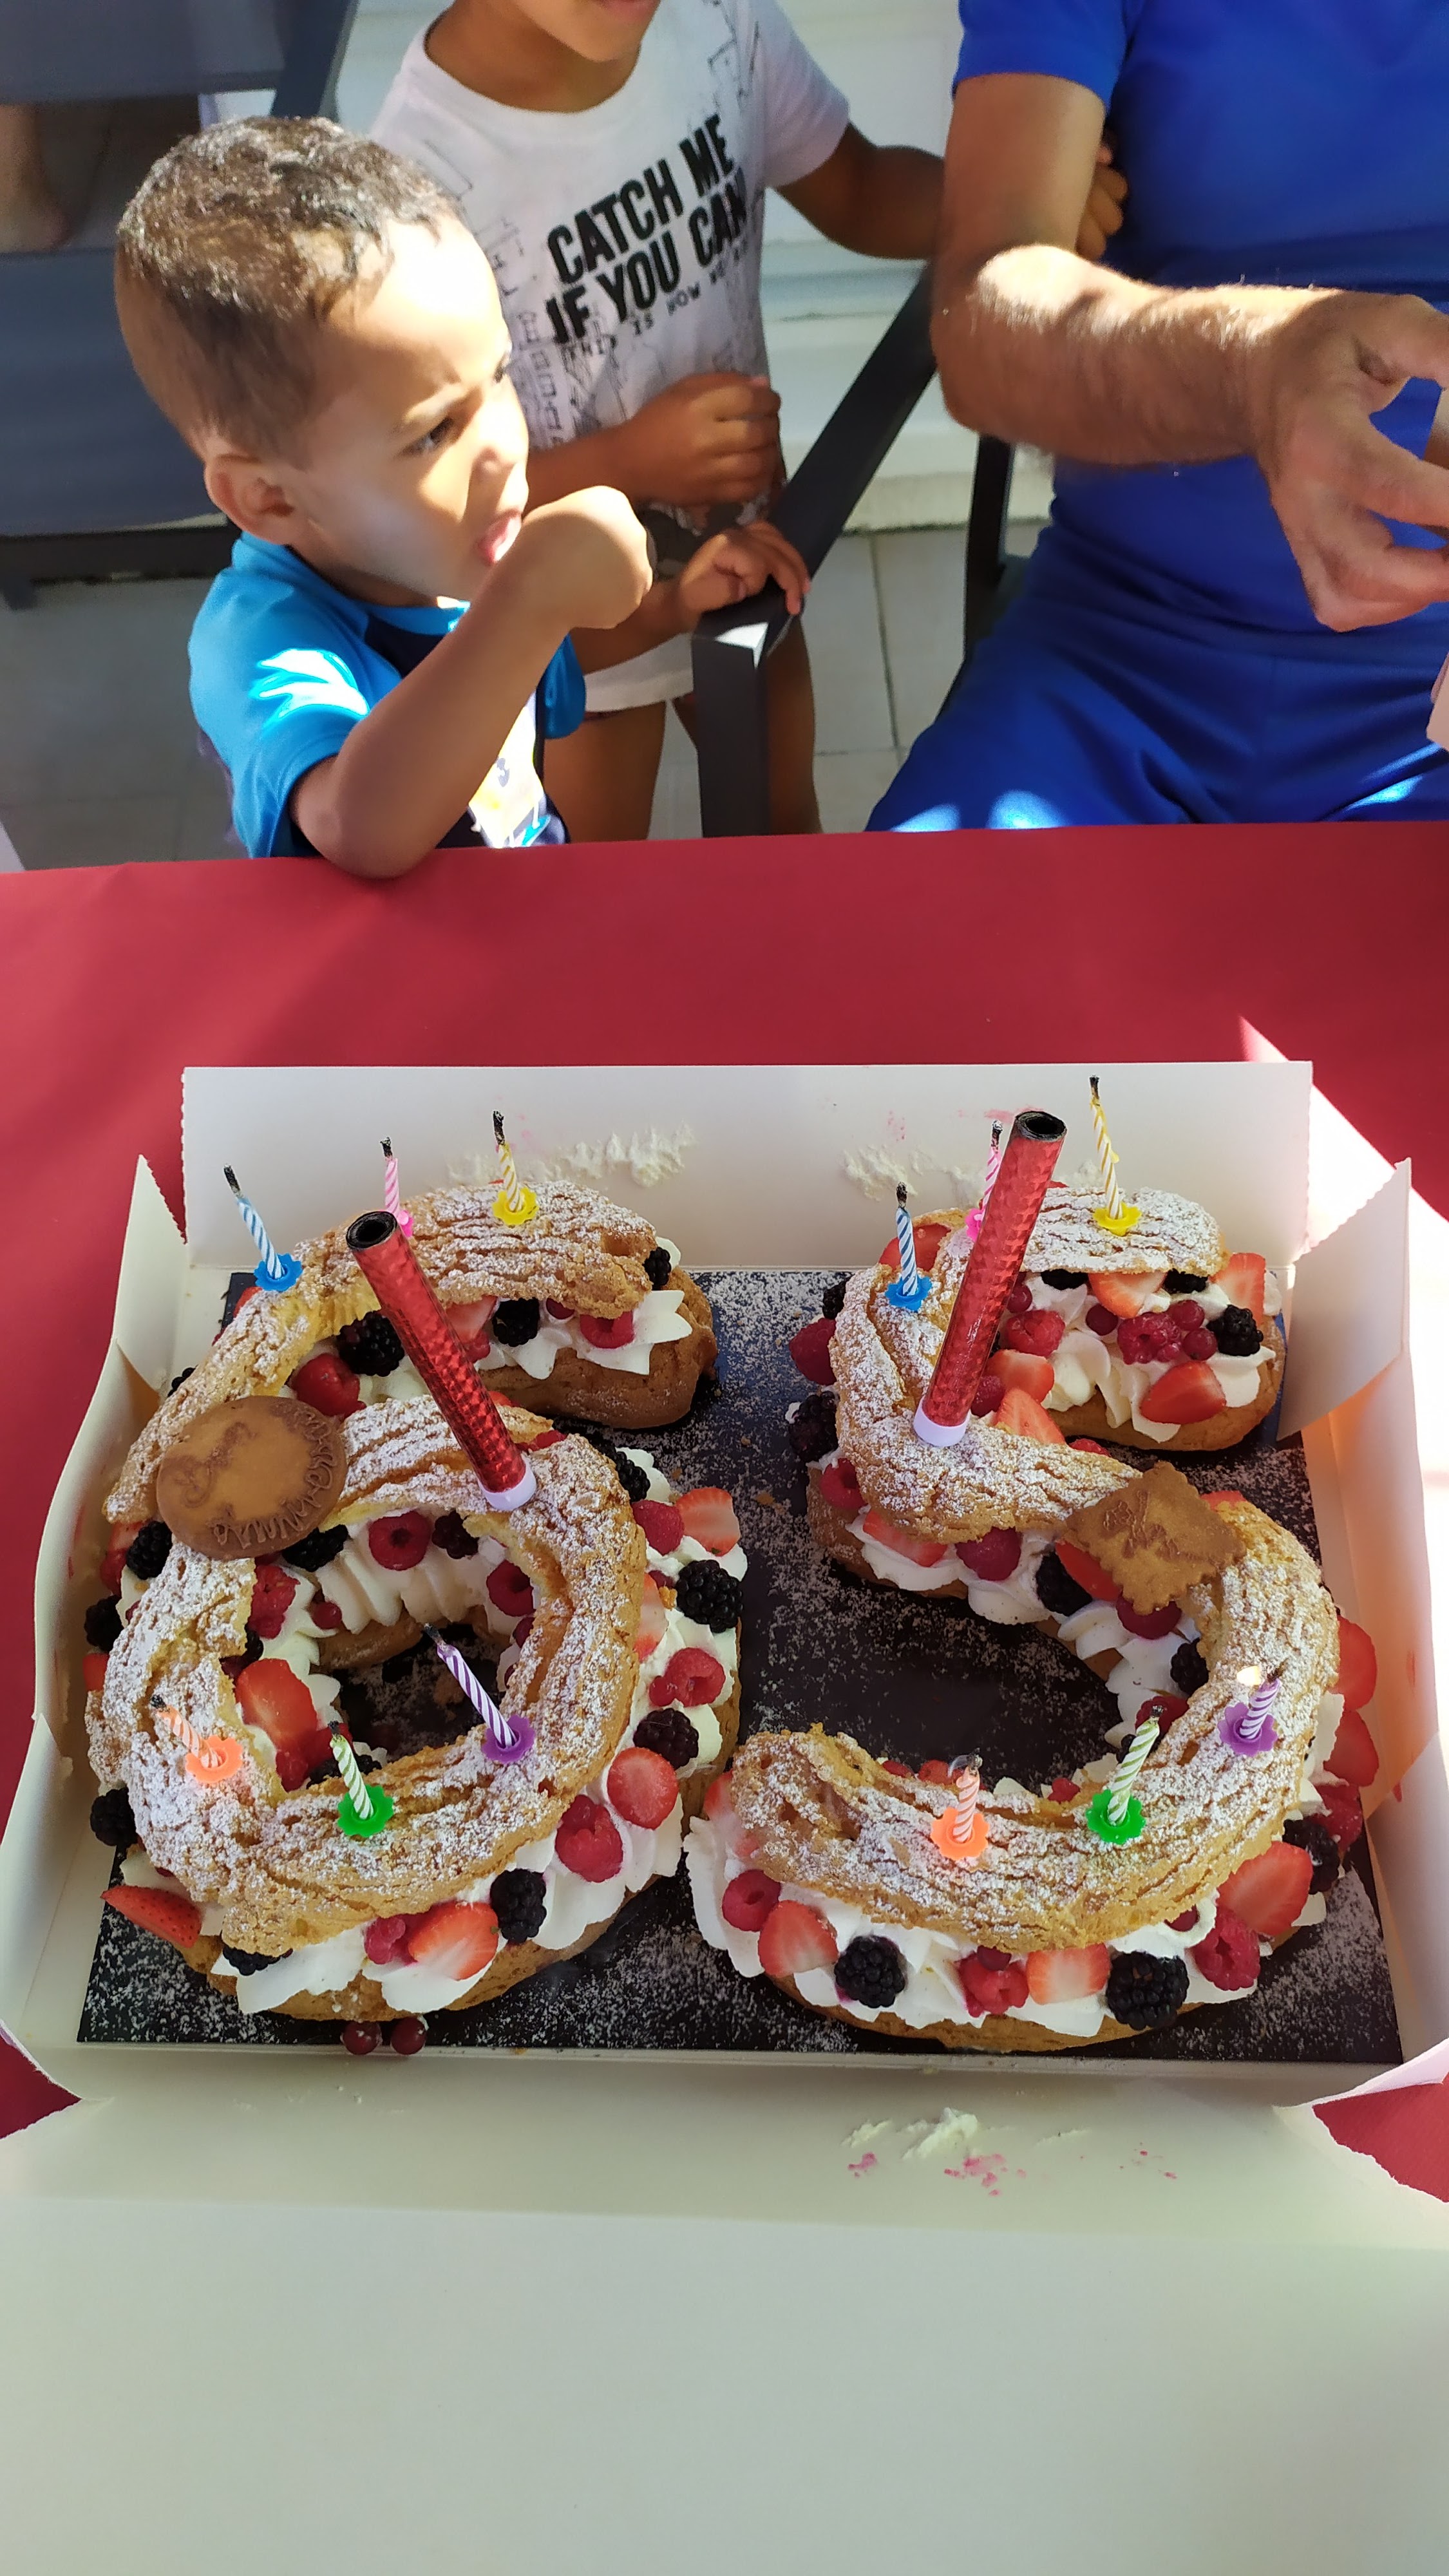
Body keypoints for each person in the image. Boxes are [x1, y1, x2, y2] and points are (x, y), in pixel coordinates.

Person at [372, 0, 1128, 838]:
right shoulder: (415, 182)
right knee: (589, 880)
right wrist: (628, 461)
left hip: (748, 570)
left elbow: (860, 190)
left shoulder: (720, 24)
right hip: (578, 629)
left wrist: (1022, 204)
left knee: (780, 841)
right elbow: (437, 497)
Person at [111, 117, 808, 873]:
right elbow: (360, 825)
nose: (504, 445)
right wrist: (530, 596)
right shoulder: (262, 640)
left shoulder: (440, 557)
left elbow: (537, 657)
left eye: (499, 375)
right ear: (268, 499)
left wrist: (671, 608)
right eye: (434, 432)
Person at [871, 1, 1449, 834]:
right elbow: (986, 315)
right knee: (914, 917)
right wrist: (1252, 367)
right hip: (1108, 659)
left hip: (1431, 688)